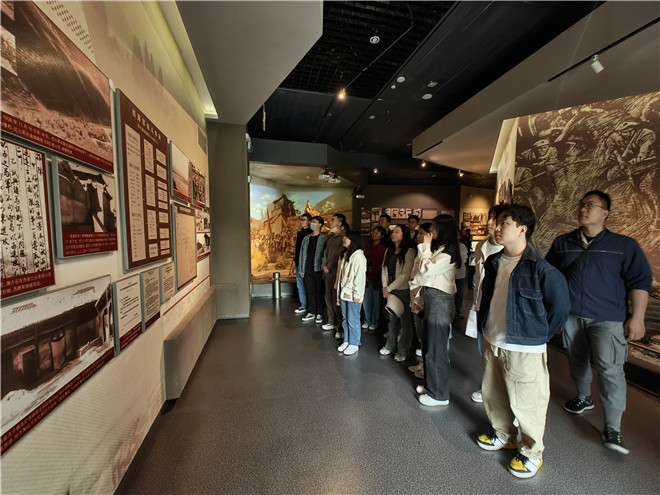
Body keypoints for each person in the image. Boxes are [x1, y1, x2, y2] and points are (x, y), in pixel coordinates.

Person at [546, 190, 652, 455]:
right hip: (572, 315)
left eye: (590, 205)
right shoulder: (563, 242)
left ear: (605, 213)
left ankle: (613, 427)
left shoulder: (624, 245)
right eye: (581, 204)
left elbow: (640, 282)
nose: (583, 209)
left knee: (610, 368)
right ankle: (583, 397)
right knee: (576, 360)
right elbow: (551, 277)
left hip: (608, 318)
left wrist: (637, 318)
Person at [476, 204, 569, 479]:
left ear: (522, 229)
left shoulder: (542, 270)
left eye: (504, 223)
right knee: (493, 393)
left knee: (528, 402)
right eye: (496, 222)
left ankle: (531, 452)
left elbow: (559, 310)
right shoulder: (494, 262)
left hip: (524, 347)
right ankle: (503, 434)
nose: (496, 228)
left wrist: (536, 336)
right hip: (493, 339)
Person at [410, 215, 459, 407]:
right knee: (429, 346)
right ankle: (431, 386)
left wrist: (424, 246)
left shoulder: (449, 252)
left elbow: (426, 270)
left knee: (437, 349)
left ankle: (439, 395)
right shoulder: (441, 249)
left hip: (440, 300)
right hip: (432, 298)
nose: (431, 232)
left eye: (435, 228)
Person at [469, 204, 505, 403]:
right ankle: (488, 387)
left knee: (501, 352)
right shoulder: (480, 246)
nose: (490, 223)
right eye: (490, 218)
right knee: (483, 350)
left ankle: (499, 391)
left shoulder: (508, 249)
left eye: (496, 219)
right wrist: (475, 304)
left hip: (501, 308)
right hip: (481, 305)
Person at [379, 225, 415, 363]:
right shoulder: (389, 250)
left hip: (402, 290)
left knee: (405, 323)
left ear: (404, 234)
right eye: (393, 232)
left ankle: (403, 350)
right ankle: (390, 346)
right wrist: (385, 287)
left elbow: (405, 275)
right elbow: (383, 269)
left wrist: (389, 288)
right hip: (389, 290)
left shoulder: (409, 251)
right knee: (392, 321)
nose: (393, 234)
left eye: (397, 232)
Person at [336, 231, 367, 355]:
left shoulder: (358, 256)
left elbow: (360, 278)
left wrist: (357, 294)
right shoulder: (346, 254)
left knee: (353, 319)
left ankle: (354, 343)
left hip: (353, 293)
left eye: (347, 237)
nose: (344, 239)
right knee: (345, 318)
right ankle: (347, 340)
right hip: (344, 292)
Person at [408, 222, 432, 377]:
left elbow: (426, 273)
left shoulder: (431, 253)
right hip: (415, 297)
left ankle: (427, 368)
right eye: (418, 233)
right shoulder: (419, 251)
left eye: (422, 233)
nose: (418, 236)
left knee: (426, 335)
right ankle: (423, 364)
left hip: (423, 299)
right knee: (420, 334)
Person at [321, 213, 348, 333]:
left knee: (336, 299)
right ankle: (331, 321)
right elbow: (325, 254)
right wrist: (323, 265)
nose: (330, 222)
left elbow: (338, 255)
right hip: (327, 273)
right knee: (328, 298)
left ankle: (340, 325)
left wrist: (329, 266)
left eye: (333, 220)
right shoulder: (331, 238)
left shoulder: (344, 238)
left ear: (340, 223)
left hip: (337, 273)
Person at [298, 216, 328, 324]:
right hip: (307, 269)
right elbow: (302, 254)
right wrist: (301, 270)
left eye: (315, 222)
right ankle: (312, 311)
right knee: (310, 291)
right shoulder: (306, 238)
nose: (312, 224)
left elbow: (325, 255)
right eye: (312, 222)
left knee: (319, 292)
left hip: (318, 269)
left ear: (320, 225)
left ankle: (319, 313)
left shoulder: (324, 239)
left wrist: (324, 269)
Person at [362, 226, 387, 331]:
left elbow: (382, 265)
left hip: (377, 277)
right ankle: (367, 320)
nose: (374, 234)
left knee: (376, 301)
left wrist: (372, 276)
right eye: (373, 232)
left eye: (377, 233)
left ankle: (375, 321)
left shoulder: (383, 248)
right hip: (366, 275)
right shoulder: (367, 246)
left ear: (382, 236)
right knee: (366, 300)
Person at [293, 213, 312, 315]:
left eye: (303, 220)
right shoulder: (300, 233)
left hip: (306, 265)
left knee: (308, 285)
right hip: (298, 263)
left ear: (309, 221)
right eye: (301, 220)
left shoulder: (311, 234)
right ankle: (303, 305)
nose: (301, 221)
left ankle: (310, 306)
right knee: (300, 285)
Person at [454, 232, 468, 319]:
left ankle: (457, 309)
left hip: (460, 273)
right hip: (449, 274)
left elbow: (464, 259)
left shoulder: (463, 246)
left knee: (459, 293)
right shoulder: (447, 246)